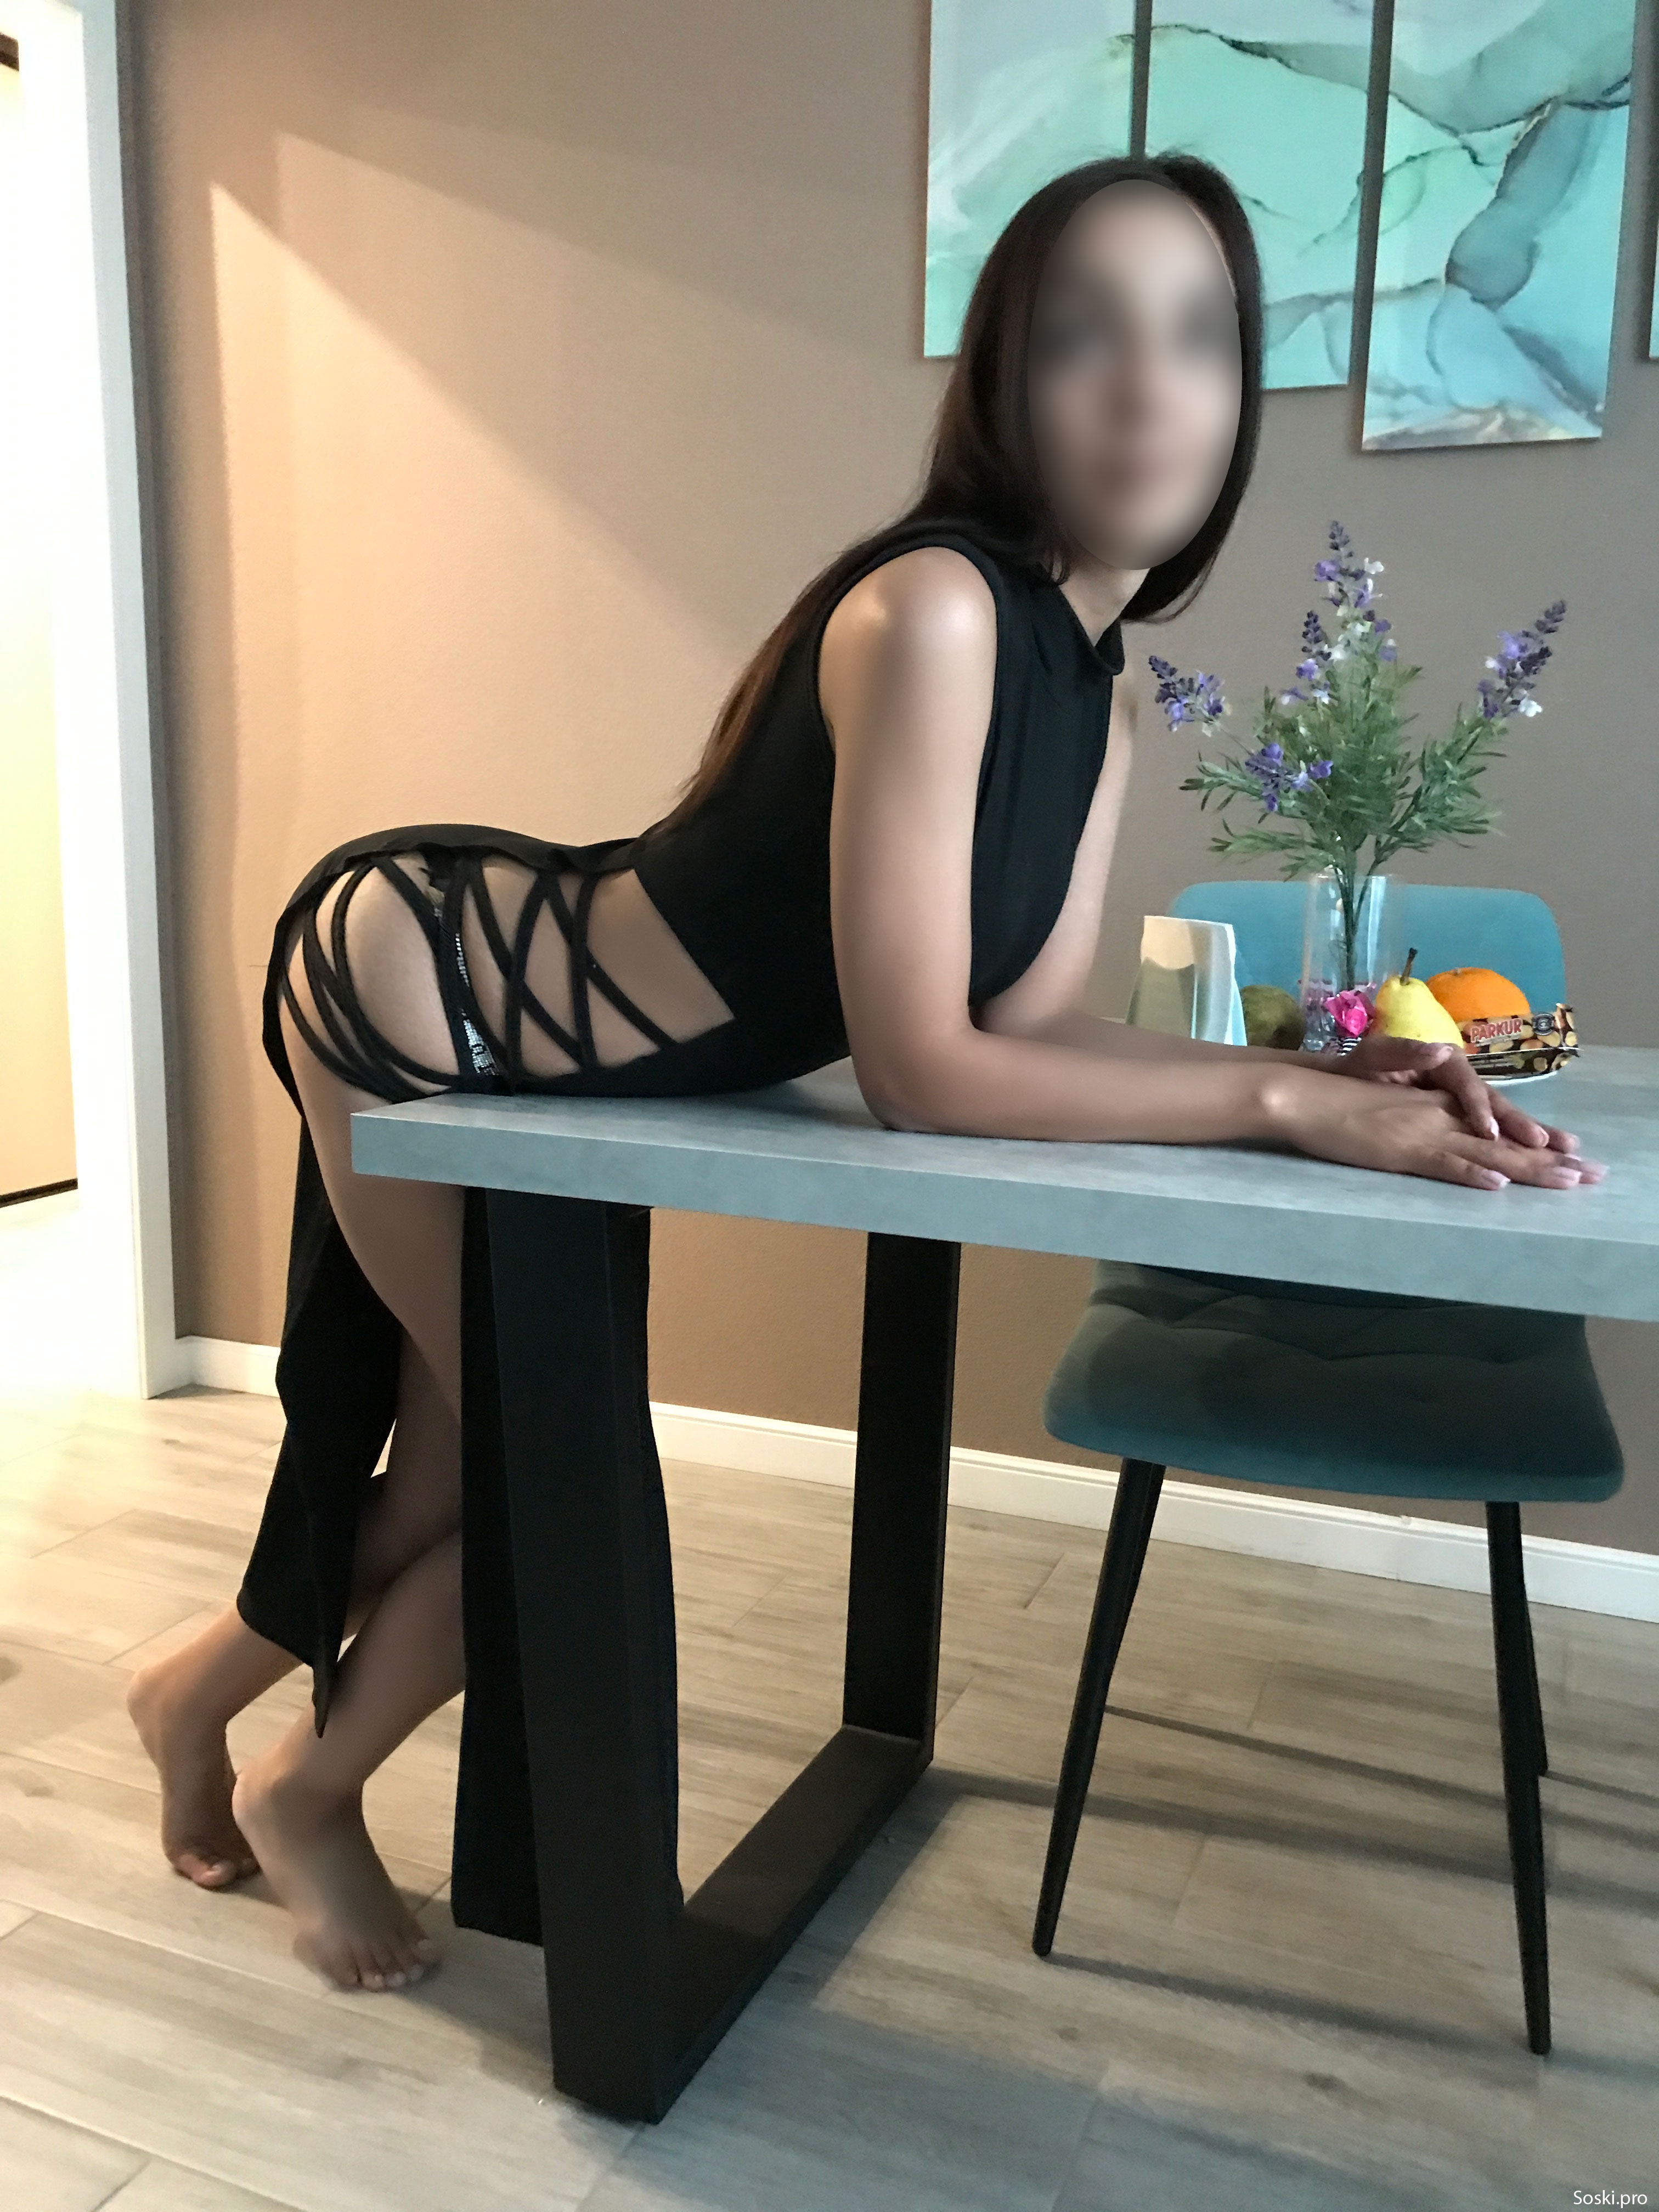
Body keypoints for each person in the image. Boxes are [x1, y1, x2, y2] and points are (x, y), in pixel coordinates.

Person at [125, 153, 1603, 1995]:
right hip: (439, 994)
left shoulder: (1097, 691)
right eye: (1083, 335)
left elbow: (1029, 1028)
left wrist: (1354, 1083)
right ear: (1003, 379)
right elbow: (919, 1067)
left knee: (444, 1482)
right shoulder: (935, 609)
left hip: (528, 1037)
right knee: (534, 1474)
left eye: (1200, 337)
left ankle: (194, 1694)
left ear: (1241, 392)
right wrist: (1287, 1100)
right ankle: (309, 1792)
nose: (1148, 386)